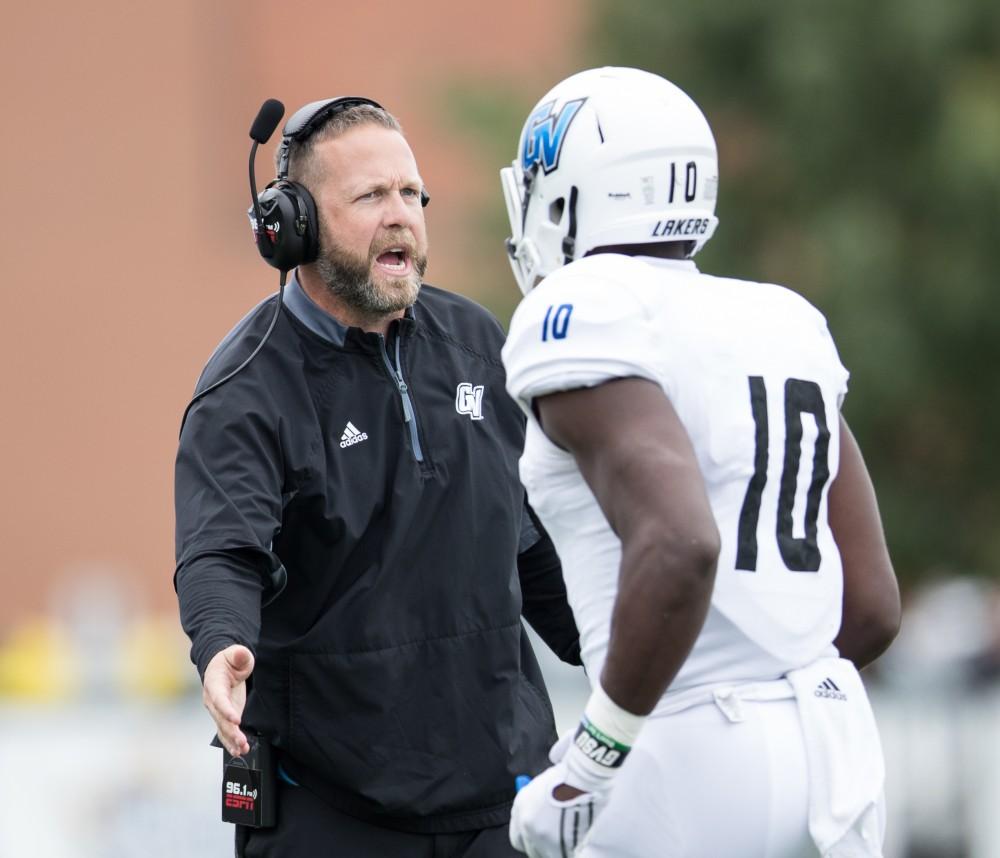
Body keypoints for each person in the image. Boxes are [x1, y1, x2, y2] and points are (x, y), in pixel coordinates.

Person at [498, 67, 901, 857]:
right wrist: (770, 674)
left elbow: (682, 544)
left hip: (675, 743)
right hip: (835, 741)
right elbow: (875, 605)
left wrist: (592, 762)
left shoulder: (578, 311)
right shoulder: (781, 317)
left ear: (571, 196)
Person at [174, 96, 581, 857]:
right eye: (370, 197)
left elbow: (526, 538)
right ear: (292, 224)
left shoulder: (477, 341)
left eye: (410, 194)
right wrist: (220, 643)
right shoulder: (246, 386)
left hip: (503, 802)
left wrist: (627, 646)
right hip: (332, 812)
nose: (401, 216)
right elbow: (222, 550)